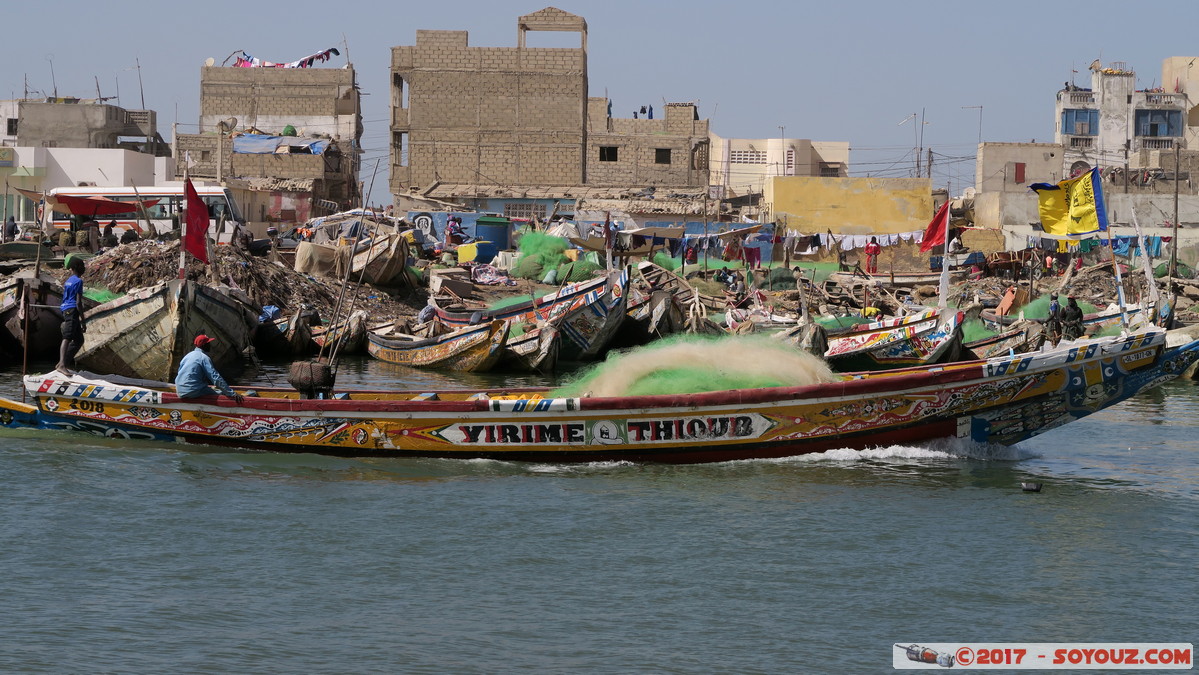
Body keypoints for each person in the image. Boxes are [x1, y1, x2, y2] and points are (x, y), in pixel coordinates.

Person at [174, 334, 244, 402]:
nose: (210, 345)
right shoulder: (204, 358)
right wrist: (232, 393)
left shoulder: (187, 356)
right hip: (193, 391)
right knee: (222, 393)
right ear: (204, 345)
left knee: (212, 389)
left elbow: (180, 372)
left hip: (180, 391)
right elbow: (215, 378)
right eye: (208, 343)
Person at [56, 257, 87, 374]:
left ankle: (62, 363)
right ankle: (62, 364)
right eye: (82, 266)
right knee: (67, 337)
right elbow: (78, 302)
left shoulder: (69, 280)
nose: (83, 268)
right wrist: (83, 320)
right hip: (72, 310)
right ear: (77, 268)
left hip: (65, 308)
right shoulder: (79, 281)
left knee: (79, 340)